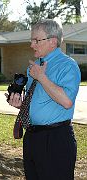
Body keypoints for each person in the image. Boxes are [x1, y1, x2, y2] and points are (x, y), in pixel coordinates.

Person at [6, 19, 81, 180]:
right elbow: (39, 100)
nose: (32, 45)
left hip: (56, 139)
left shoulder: (67, 66)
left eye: (36, 40)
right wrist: (21, 106)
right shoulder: (33, 67)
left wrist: (41, 77)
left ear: (53, 41)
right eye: (31, 40)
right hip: (32, 138)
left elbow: (67, 101)